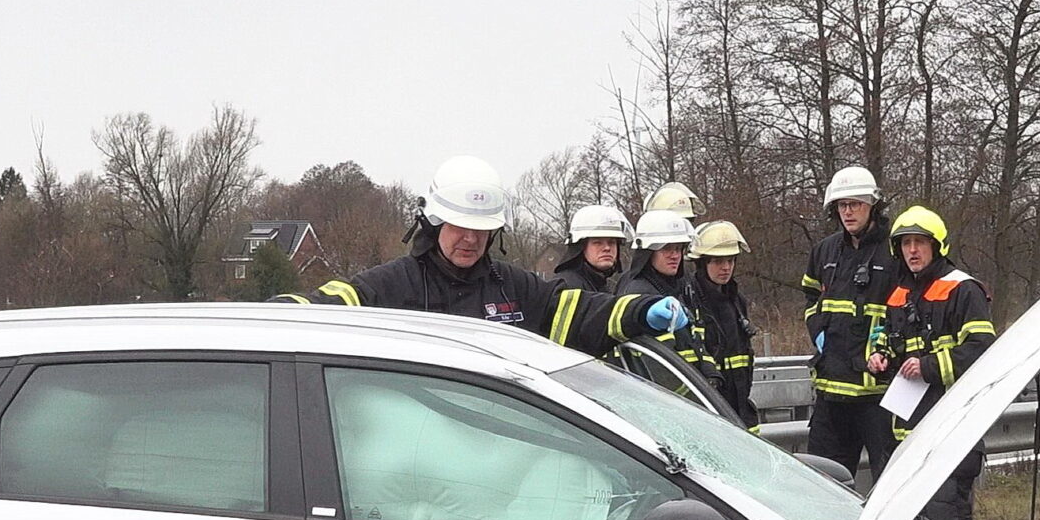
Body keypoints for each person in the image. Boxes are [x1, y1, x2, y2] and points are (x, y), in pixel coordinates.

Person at [283, 156, 692, 356]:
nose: (471, 239)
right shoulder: (395, 284)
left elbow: (578, 311)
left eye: (482, 230)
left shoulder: (512, 287)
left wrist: (641, 311)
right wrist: (273, 315)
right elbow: (338, 303)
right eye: (461, 227)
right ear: (434, 223)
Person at [875, 206, 996, 520]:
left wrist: (929, 366)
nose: (912, 250)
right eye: (905, 243)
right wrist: (880, 358)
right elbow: (888, 341)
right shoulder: (898, 296)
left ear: (937, 245)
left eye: (919, 242)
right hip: (908, 435)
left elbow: (982, 349)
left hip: (951, 431)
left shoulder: (963, 289)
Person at [803, 165, 898, 481]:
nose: (848, 212)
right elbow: (810, 296)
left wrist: (885, 347)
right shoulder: (825, 251)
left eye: (855, 204)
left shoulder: (894, 250)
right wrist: (817, 330)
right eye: (842, 205)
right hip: (831, 392)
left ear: (872, 205)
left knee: (889, 480)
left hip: (878, 394)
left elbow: (905, 309)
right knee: (823, 483)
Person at [618, 209, 717, 381]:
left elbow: (695, 341)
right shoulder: (639, 294)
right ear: (648, 252)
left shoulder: (679, 288)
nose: (675, 256)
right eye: (667, 249)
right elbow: (656, 366)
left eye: (679, 249)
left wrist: (710, 373)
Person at [689, 220, 760, 428]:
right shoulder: (690, 299)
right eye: (718, 261)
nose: (726, 268)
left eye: (730, 260)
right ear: (703, 262)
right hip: (707, 411)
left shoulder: (737, 300)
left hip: (740, 408)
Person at [551, 204, 631, 296]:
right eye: (597, 243)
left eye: (611, 242)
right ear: (580, 247)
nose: (607, 248)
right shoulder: (567, 287)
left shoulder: (599, 284)